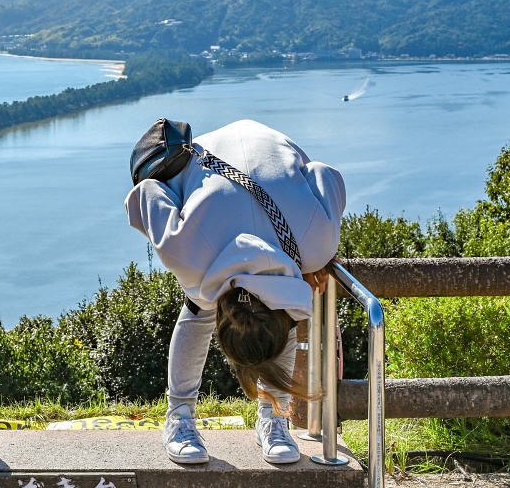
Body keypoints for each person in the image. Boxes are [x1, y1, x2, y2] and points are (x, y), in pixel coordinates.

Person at [125, 119, 345, 465]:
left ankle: (272, 416)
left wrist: (317, 247)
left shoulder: (316, 243)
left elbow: (323, 175)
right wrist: (314, 252)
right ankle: (180, 417)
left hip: (265, 148)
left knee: (256, 301)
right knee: (201, 302)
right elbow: (146, 193)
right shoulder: (187, 253)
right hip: (216, 152)